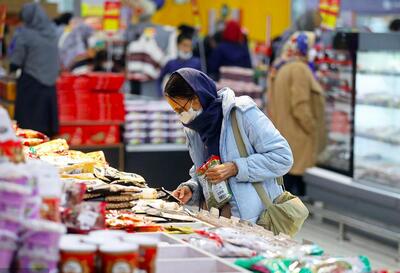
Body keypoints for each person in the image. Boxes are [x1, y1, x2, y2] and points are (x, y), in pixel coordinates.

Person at [164, 68, 293, 222]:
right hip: (214, 220)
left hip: (253, 221)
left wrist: (235, 168)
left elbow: (282, 157)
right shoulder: (195, 129)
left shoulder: (241, 113)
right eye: (176, 111)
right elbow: (204, 171)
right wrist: (192, 188)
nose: (180, 115)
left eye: (181, 109)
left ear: (197, 97)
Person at [267, 32, 326, 197]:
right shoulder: (300, 69)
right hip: (298, 135)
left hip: (284, 132)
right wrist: (313, 128)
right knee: (295, 186)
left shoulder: (281, 65)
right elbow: (300, 106)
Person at [9, 3, 60, 137]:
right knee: (45, 129)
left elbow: (15, 62)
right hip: (50, 86)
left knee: (28, 128)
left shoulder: (25, 34)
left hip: (31, 85)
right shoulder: (52, 33)